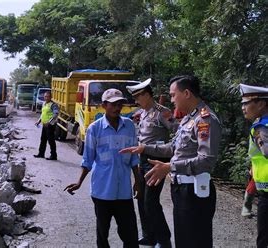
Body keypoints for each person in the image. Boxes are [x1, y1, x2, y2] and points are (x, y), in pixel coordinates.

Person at [120, 75, 221, 248]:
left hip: (194, 191)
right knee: (183, 239)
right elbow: (173, 148)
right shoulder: (189, 119)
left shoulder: (205, 119)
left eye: (174, 95)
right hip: (181, 188)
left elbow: (207, 160)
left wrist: (169, 166)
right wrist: (145, 148)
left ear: (187, 93)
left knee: (195, 241)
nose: (172, 99)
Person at [65, 88, 141, 248]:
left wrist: (138, 180)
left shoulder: (129, 126)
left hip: (124, 192)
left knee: (130, 235)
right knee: (102, 234)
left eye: (119, 104)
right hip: (102, 192)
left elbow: (134, 156)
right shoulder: (94, 129)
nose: (117, 107)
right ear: (104, 105)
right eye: (113, 104)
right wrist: (79, 182)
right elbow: (88, 159)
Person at [126, 78, 176, 248]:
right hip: (143, 160)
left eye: (138, 97)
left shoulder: (163, 112)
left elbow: (178, 134)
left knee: (151, 202)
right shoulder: (143, 113)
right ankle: (149, 235)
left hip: (157, 161)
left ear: (147, 95)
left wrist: (155, 148)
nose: (136, 100)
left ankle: (164, 240)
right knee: (141, 197)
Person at [239, 83, 268, 248]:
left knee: (263, 240)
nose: (243, 107)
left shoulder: (261, 127)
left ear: (261, 104)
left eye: (247, 103)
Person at [34, 91, 59, 160]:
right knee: (43, 140)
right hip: (44, 125)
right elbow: (43, 114)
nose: (46, 98)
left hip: (50, 125)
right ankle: (41, 153)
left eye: (48, 96)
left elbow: (55, 114)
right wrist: (38, 121)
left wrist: (49, 122)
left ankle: (53, 155)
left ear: (51, 97)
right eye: (45, 96)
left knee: (51, 141)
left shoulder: (53, 105)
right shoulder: (44, 104)